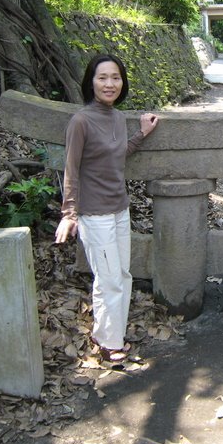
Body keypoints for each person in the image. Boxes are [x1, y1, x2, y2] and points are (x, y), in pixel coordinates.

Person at [55, 54, 159, 362]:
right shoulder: (81, 121)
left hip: (119, 208)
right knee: (109, 278)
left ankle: (109, 334)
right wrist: (69, 213)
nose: (110, 84)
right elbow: (71, 169)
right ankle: (108, 342)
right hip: (94, 214)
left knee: (121, 274)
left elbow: (118, 155)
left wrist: (142, 133)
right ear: (91, 82)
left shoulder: (117, 117)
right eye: (103, 78)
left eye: (115, 78)